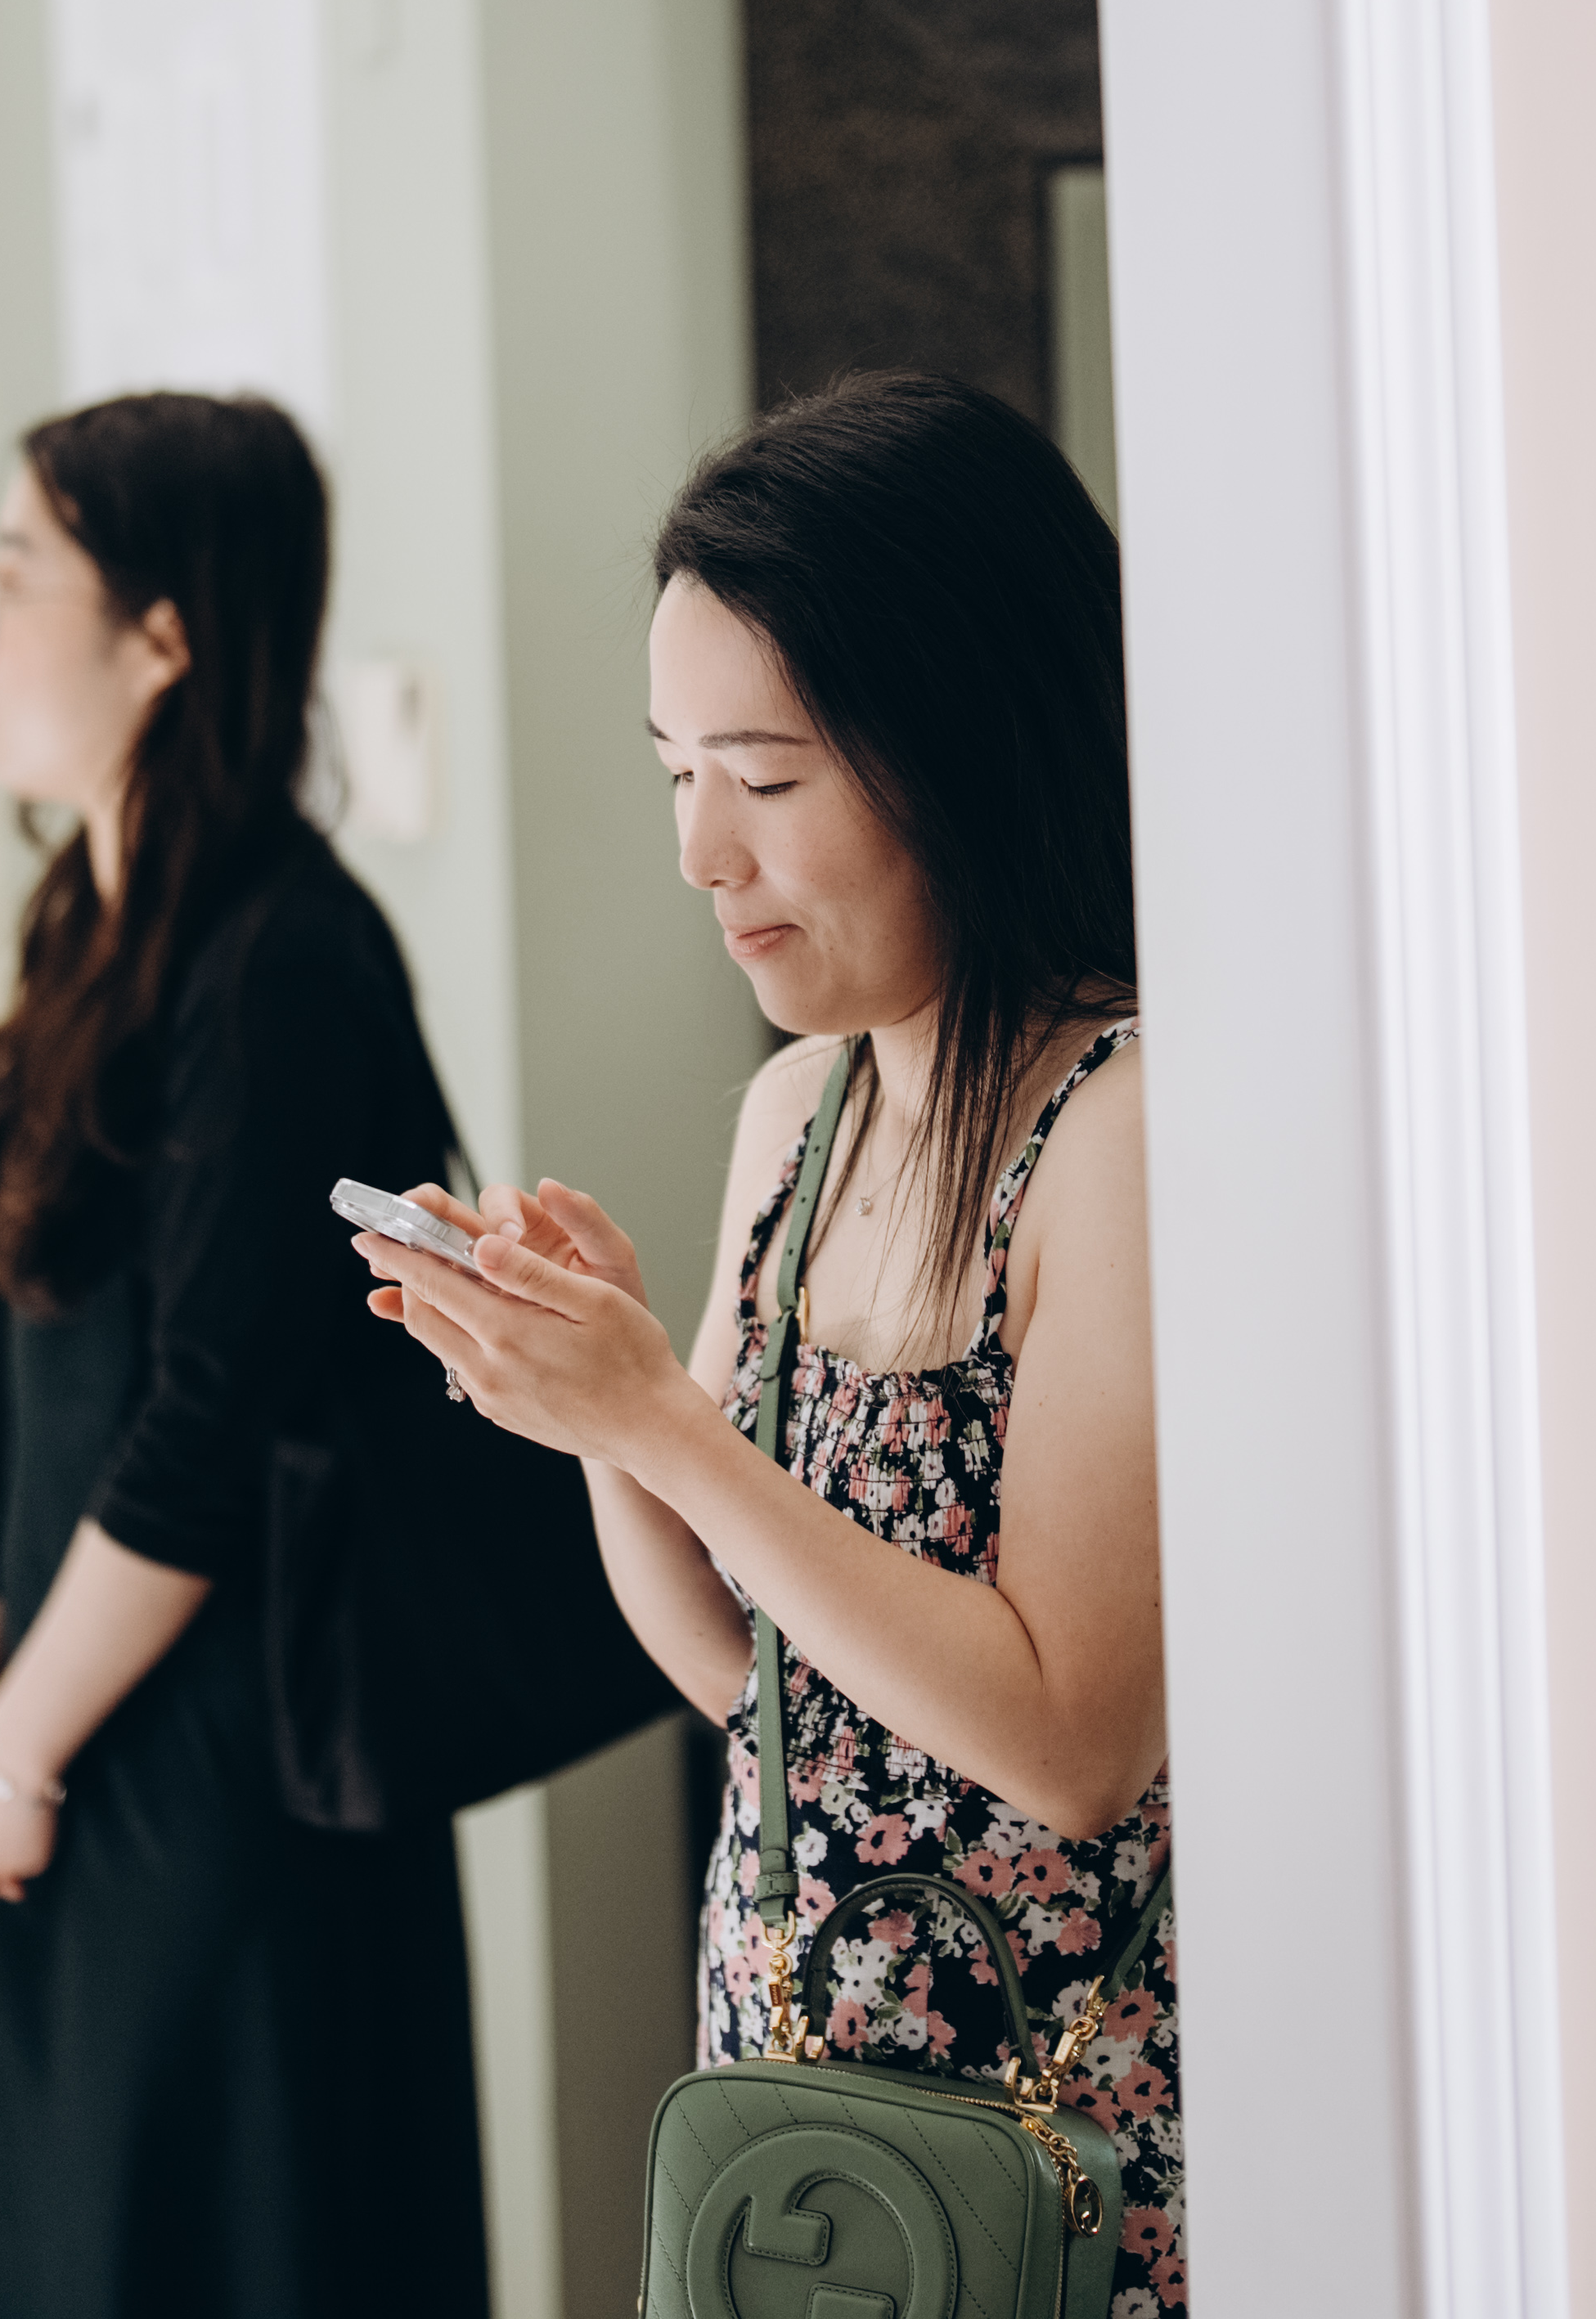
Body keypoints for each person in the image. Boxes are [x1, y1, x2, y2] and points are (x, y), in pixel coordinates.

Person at [353, 371, 1186, 2315]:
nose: (702, 854)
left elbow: (1073, 1744)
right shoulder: (801, 1114)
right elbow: (753, 1688)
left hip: (1064, 2131)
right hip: (804, 2104)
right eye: (676, 773)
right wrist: (597, 1408)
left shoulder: (1127, 1125)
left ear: (961, 744)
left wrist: (667, 1424)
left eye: (768, 778)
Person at [0, 392, 488, 2319]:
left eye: (14, 582)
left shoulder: (286, 957)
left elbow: (207, 1424)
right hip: (78, 1714)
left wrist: (17, 1747)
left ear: (164, 638)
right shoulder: (88, 915)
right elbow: (29, 1358)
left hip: (230, 1763)